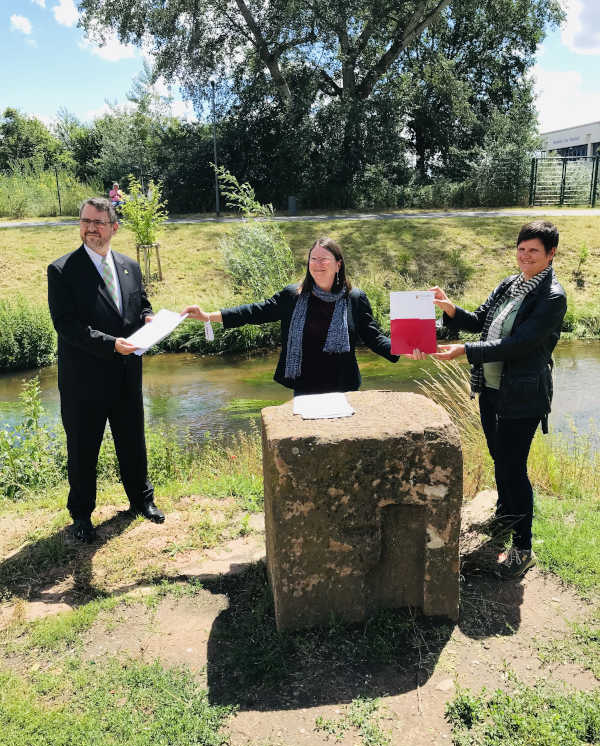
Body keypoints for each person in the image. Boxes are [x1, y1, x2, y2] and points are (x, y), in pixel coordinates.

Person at [415, 220, 566, 579]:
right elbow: (480, 319)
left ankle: (523, 547)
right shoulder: (509, 285)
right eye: (521, 248)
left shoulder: (552, 297)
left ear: (551, 254)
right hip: (493, 389)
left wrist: (465, 351)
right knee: (500, 458)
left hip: (524, 394)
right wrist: (450, 309)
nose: (525, 255)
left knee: (514, 467)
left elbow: (519, 344)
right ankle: (504, 516)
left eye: (534, 250)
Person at [47, 197, 164, 544]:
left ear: (114, 227)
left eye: (98, 222)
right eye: (85, 221)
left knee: (132, 441)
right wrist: (111, 343)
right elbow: (66, 325)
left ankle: (141, 501)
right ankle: (81, 515)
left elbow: (141, 302)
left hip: (127, 373)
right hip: (84, 380)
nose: (91, 228)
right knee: (83, 449)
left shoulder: (129, 265)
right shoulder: (62, 270)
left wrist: (148, 318)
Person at [182, 237, 399, 395]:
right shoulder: (293, 296)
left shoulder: (354, 298)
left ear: (338, 264)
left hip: (345, 387)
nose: (317, 264)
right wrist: (208, 316)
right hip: (305, 387)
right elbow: (255, 312)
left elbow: (373, 337)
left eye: (324, 259)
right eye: (313, 259)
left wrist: (407, 346)